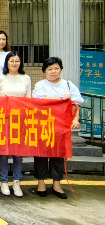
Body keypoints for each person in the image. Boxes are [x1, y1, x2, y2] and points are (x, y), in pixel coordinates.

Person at [33, 56, 83, 200]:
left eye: (56, 68)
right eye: (50, 69)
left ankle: (57, 184)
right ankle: (41, 183)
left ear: (61, 69)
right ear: (44, 71)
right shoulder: (40, 85)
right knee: (41, 154)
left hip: (61, 127)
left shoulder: (68, 85)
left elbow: (75, 104)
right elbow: (39, 102)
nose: (53, 71)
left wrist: (75, 119)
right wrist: (60, 99)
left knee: (58, 154)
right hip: (43, 125)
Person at [0, 51, 30, 198]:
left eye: (17, 61)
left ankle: (17, 182)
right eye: (11, 61)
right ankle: (4, 181)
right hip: (4, 120)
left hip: (20, 120)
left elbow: (29, 99)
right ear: (7, 63)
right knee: (3, 152)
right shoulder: (1, 78)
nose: (14, 63)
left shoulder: (26, 78)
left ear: (20, 63)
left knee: (18, 153)